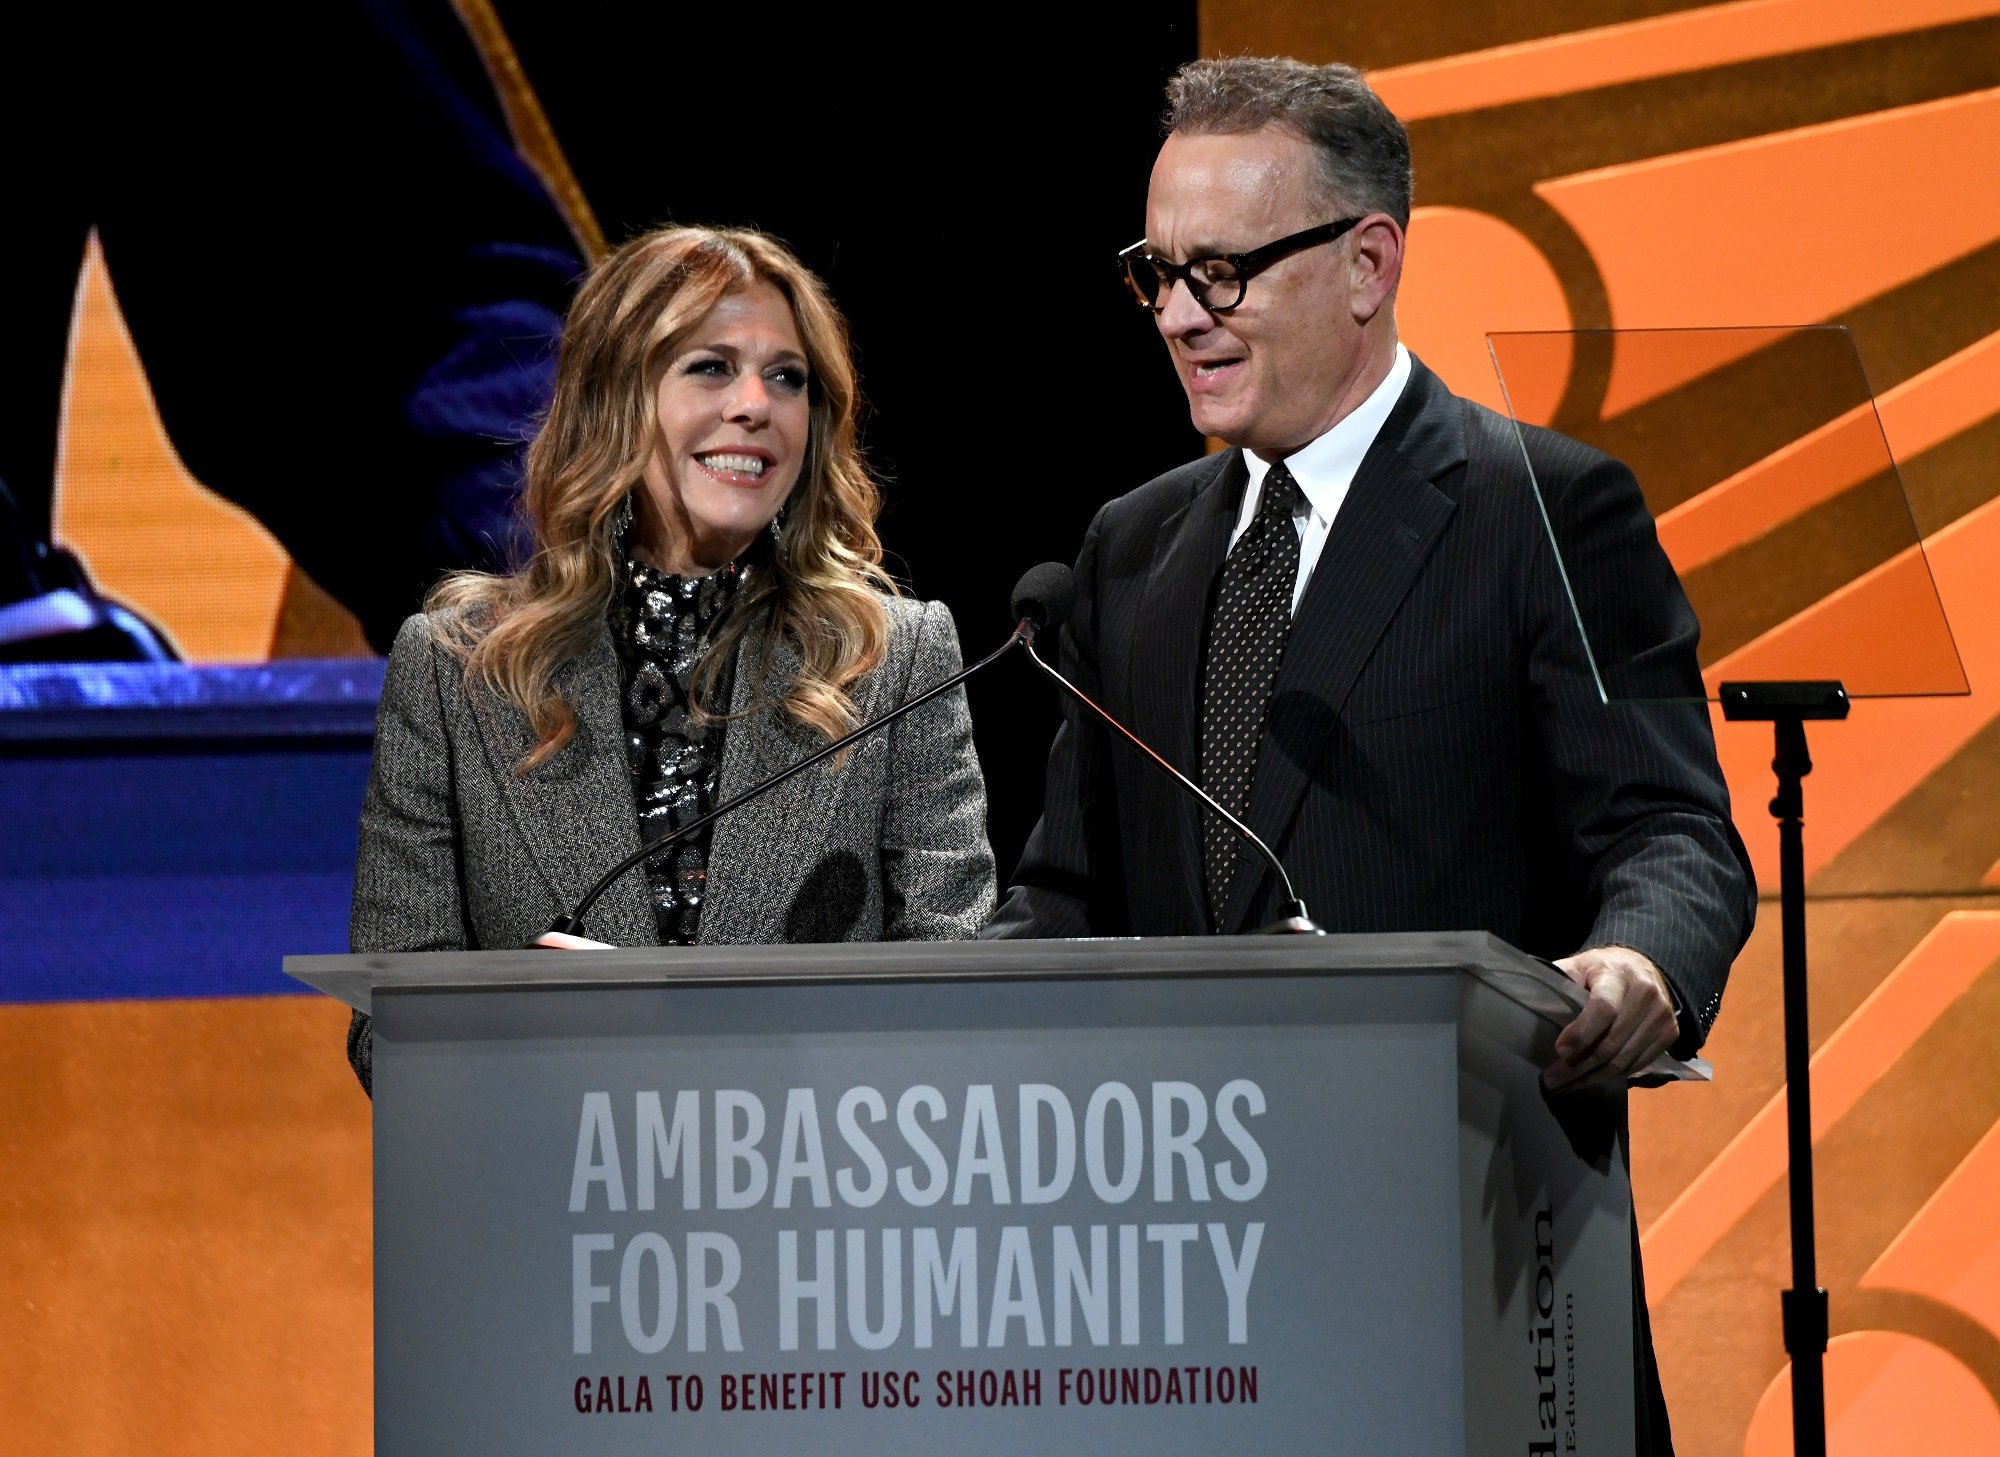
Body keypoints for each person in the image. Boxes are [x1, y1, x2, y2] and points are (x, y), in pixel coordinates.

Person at [985, 58, 1752, 1449]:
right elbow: (1063, 895)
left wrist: (1638, 965)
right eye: (1155, 272)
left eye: (1218, 274)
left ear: (1366, 262)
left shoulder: (1540, 506)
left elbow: (1669, 833)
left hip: (1463, 1250)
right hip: (1176, 1295)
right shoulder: (1129, 545)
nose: (1174, 316)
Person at [347, 225, 996, 1091]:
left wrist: (686, 1030)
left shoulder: (898, 661)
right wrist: (520, 1023)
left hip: (812, 1200)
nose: (757, 404)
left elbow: (960, 1003)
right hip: (554, 1194)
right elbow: (385, 1036)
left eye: (788, 377)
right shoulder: (457, 671)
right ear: (616, 398)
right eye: (711, 366)